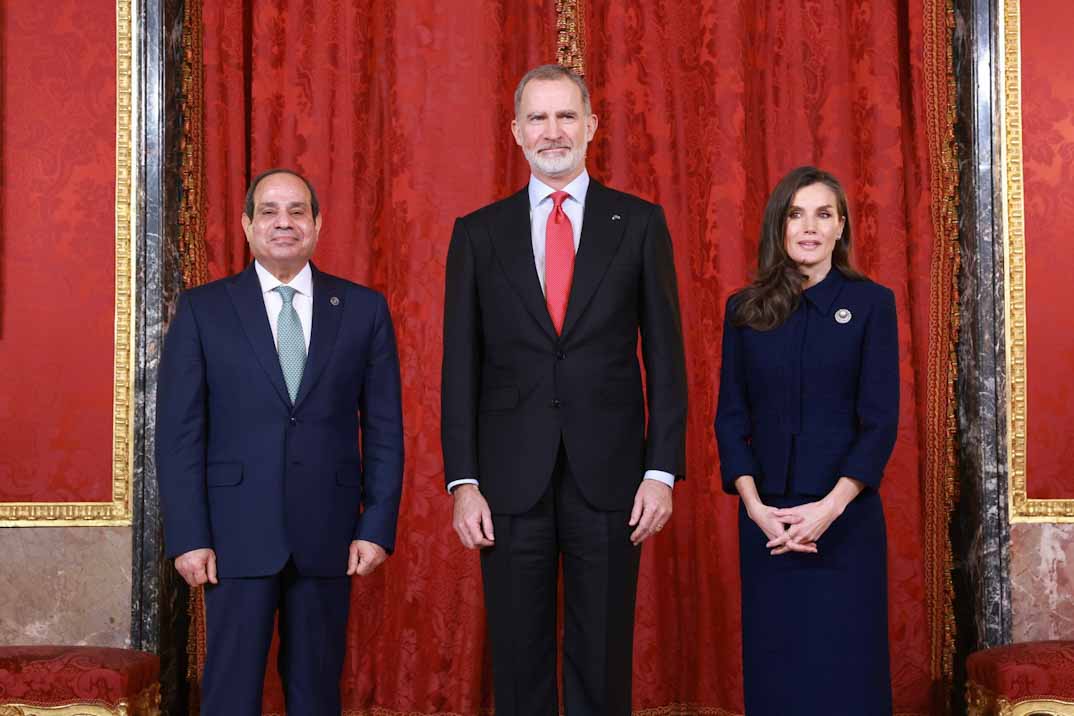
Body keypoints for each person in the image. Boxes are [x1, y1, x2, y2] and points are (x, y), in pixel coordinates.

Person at [441, 64, 687, 715]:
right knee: (518, 659)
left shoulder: (637, 224)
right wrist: (462, 482)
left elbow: (666, 359)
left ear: (591, 127)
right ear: (517, 131)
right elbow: (458, 368)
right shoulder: (477, 232)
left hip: (611, 478)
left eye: (566, 116)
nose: (553, 131)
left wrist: (661, 471)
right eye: (539, 118)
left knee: (602, 655)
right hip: (506, 482)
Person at [156, 169, 404, 716]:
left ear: (317, 224)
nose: (283, 223)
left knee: (316, 695)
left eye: (297, 211)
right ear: (247, 225)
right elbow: (178, 434)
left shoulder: (363, 309)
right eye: (268, 211)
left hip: (330, 534)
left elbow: (385, 428)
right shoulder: (204, 310)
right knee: (229, 694)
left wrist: (377, 525)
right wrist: (189, 536)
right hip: (232, 535)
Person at [714, 165, 899, 714]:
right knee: (779, 675)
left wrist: (829, 509)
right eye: (796, 214)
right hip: (769, 525)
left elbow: (880, 420)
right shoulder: (744, 310)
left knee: (847, 674)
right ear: (780, 226)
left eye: (823, 214)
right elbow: (730, 417)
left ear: (841, 227)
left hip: (846, 524)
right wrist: (756, 509)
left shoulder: (872, 304)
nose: (809, 227)